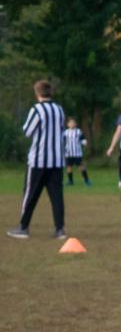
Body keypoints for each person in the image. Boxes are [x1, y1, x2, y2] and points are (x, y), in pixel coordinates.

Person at [11, 79, 67, 240]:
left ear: (37, 93)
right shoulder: (59, 110)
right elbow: (61, 130)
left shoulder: (36, 109)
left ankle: (23, 227)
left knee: (30, 194)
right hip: (57, 160)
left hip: (38, 160)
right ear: (51, 93)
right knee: (56, 196)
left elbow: (28, 131)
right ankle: (60, 229)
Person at [63, 116, 88, 187]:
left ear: (76, 124)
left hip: (77, 153)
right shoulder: (65, 132)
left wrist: (84, 142)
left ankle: (86, 180)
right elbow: (63, 141)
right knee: (69, 167)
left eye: (73, 123)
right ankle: (70, 181)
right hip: (68, 153)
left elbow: (83, 139)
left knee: (81, 166)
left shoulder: (78, 131)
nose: (72, 124)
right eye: (70, 123)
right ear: (68, 124)